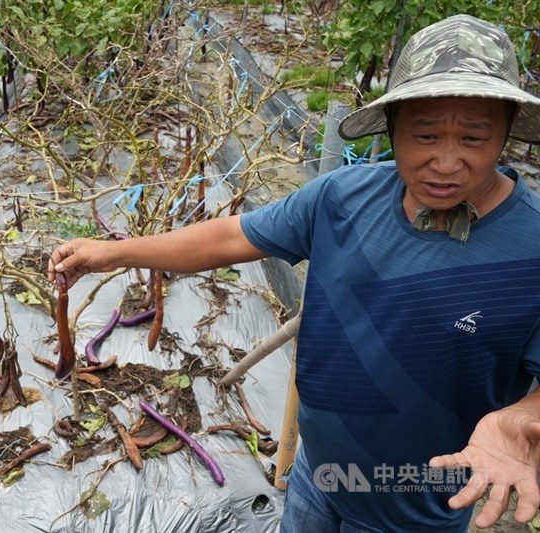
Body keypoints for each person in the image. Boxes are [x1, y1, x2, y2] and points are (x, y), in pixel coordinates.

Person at [48, 14, 540, 532]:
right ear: (392, 126)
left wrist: (524, 417)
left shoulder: (530, 251)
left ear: (505, 134)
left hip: (413, 509)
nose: (445, 161)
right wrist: (116, 252)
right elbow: (232, 237)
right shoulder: (343, 197)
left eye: (473, 139)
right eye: (424, 134)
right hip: (317, 474)